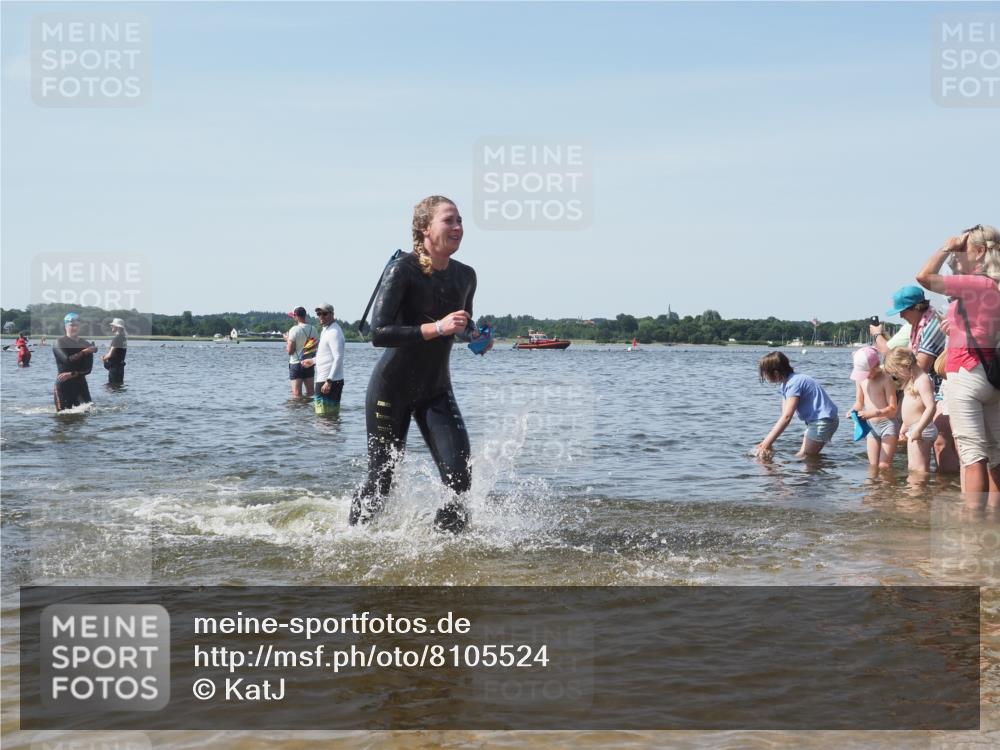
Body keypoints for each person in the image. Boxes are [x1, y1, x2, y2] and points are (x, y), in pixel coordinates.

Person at [351, 195, 490, 533]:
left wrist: (473, 335)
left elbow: (460, 324)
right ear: (425, 228)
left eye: (460, 221)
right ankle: (351, 537)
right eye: (449, 220)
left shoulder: (466, 276)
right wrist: (438, 328)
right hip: (391, 389)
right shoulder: (403, 270)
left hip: (435, 389)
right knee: (382, 481)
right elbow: (379, 333)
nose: (458, 227)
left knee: (460, 479)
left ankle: (444, 548)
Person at [916, 224, 1000, 497]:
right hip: (992, 376)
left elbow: (924, 277)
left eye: (963, 250)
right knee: (996, 454)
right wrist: (956, 329)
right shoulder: (995, 286)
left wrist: (946, 247)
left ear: (980, 251)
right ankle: (993, 517)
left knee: (972, 455)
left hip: (966, 371)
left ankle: (973, 519)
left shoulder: (978, 283)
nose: (957, 254)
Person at [870, 285, 958, 472]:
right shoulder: (919, 325)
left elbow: (921, 364)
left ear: (916, 308)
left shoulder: (932, 326)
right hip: (932, 391)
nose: (901, 316)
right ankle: (944, 485)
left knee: (941, 440)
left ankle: (947, 481)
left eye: (903, 311)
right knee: (937, 444)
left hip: (943, 388)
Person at [755, 351, 839, 460]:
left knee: (804, 456)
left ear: (776, 373)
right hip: (820, 420)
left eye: (765, 373)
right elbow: (784, 416)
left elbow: (787, 417)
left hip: (823, 421)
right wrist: (768, 442)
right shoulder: (787, 384)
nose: (765, 376)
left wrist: (766, 443)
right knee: (804, 457)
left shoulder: (793, 384)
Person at [883, 348, 937, 473]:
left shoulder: (922, 380)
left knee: (920, 470)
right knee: (913, 468)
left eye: (896, 372)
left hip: (922, 429)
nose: (896, 376)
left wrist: (919, 430)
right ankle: (916, 486)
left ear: (904, 365)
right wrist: (904, 427)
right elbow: (911, 408)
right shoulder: (912, 380)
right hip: (914, 427)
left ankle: (920, 486)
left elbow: (931, 407)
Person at [849, 346, 898, 470]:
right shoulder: (861, 380)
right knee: (873, 466)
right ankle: (873, 484)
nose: (865, 376)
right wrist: (853, 411)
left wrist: (873, 413)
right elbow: (859, 402)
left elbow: (893, 408)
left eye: (867, 373)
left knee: (884, 465)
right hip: (871, 426)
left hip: (888, 425)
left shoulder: (886, 380)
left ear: (876, 366)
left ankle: (887, 482)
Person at [53, 312, 97, 411]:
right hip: (63, 384)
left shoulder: (85, 344)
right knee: (63, 416)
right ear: (66, 326)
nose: (75, 328)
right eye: (72, 325)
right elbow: (67, 360)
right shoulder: (59, 342)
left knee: (88, 412)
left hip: (81, 384)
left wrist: (72, 374)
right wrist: (85, 351)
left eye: (77, 325)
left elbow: (88, 369)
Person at [305, 303, 345, 415]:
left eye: (324, 314)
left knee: (323, 417)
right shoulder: (325, 330)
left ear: (332, 314)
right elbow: (326, 354)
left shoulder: (334, 332)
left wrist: (329, 381)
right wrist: (313, 361)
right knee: (327, 417)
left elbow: (338, 357)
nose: (321, 316)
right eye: (319, 314)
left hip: (329, 381)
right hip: (325, 380)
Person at [284, 306, 319, 398]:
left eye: (293, 316)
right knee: (311, 393)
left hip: (296, 364)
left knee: (297, 394)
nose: (293, 317)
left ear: (296, 316)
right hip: (309, 363)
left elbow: (290, 351)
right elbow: (314, 347)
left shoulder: (294, 330)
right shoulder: (313, 329)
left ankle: (299, 407)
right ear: (305, 315)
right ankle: (309, 407)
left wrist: (287, 340)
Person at [101, 318, 128, 385]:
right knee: (118, 386)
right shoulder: (123, 338)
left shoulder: (117, 338)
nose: (111, 326)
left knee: (112, 387)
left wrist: (103, 358)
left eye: (113, 325)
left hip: (115, 368)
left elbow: (111, 354)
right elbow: (118, 352)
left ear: (117, 327)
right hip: (120, 367)